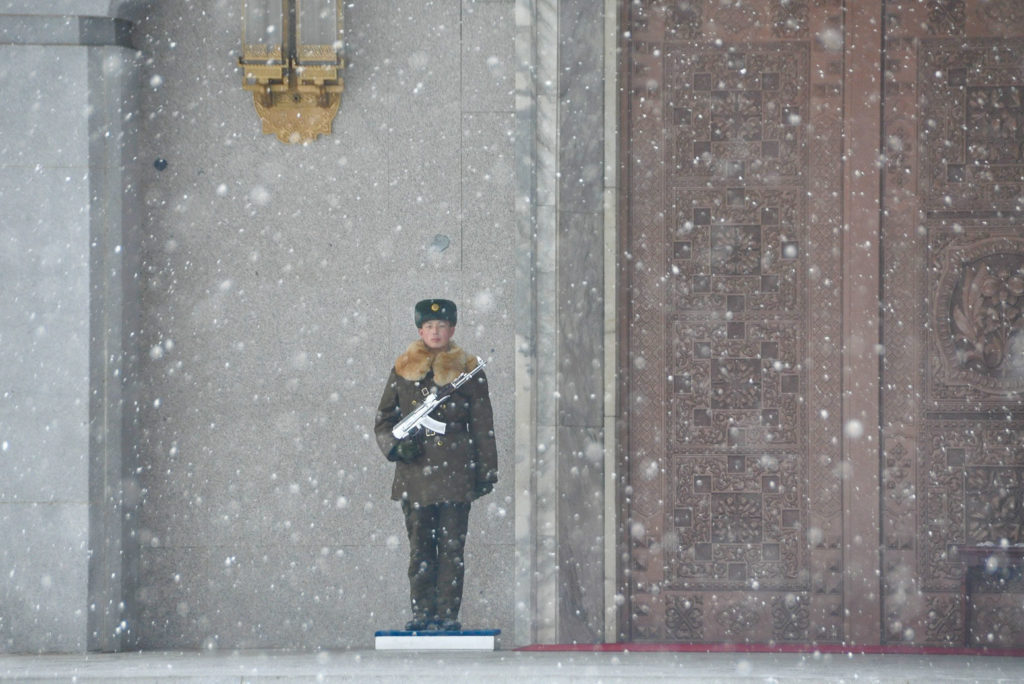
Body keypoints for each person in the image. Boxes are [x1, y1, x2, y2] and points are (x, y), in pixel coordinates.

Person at [374, 298, 498, 632]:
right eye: (429, 327)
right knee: (421, 551)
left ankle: (446, 617)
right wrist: (397, 448)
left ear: (452, 329)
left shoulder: (468, 370)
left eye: (441, 326)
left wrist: (487, 469)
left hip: (456, 472)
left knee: (452, 551)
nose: (435, 331)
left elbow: (483, 426)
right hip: (415, 475)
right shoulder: (402, 368)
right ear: (420, 330)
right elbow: (384, 421)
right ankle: (422, 615)